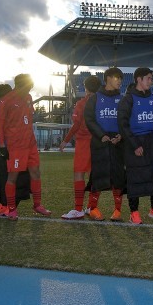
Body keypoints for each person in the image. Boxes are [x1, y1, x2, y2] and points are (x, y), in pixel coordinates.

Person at [118, 67, 153, 224]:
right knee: (135, 177)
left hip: (151, 142)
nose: (150, 81)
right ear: (139, 79)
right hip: (135, 142)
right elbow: (123, 124)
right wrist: (134, 145)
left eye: (151, 78)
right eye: (148, 78)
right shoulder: (128, 99)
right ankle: (134, 212)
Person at [0, 74, 51, 220]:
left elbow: (28, 118)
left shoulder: (28, 97)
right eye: (26, 87)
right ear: (18, 85)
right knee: (12, 176)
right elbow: (0, 125)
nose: (28, 91)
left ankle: (37, 205)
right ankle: (12, 209)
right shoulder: (6, 100)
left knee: (35, 173)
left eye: (30, 88)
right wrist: (2, 145)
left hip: (30, 144)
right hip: (15, 146)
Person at [83, 68, 126, 221]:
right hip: (99, 141)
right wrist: (101, 135)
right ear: (108, 78)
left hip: (118, 142)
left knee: (118, 176)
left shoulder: (123, 99)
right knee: (98, 175)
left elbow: (126, 121)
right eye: (117, 78)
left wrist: (121, 135)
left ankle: (118, 211)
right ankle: (93, 208)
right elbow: (89, 119)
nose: (120, 81)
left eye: (121, 78)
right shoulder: (95, 98)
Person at [60, 74, 101, 220]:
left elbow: (76, 125)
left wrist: (65, 140)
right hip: (99, 142)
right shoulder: (101, 102)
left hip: (84, 142)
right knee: (95, 175)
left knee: (79, 173)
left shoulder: (82, 103)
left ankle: (78, 209)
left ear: (85, 87)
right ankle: (91, 207)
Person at [0, 84, 30, 216]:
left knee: (15, 178)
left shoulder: (17, 109)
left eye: (2, 98)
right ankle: (2, 204)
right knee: (1, 177)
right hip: (1, 150)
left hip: (15, 149)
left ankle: (12, 205)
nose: (0, 101)